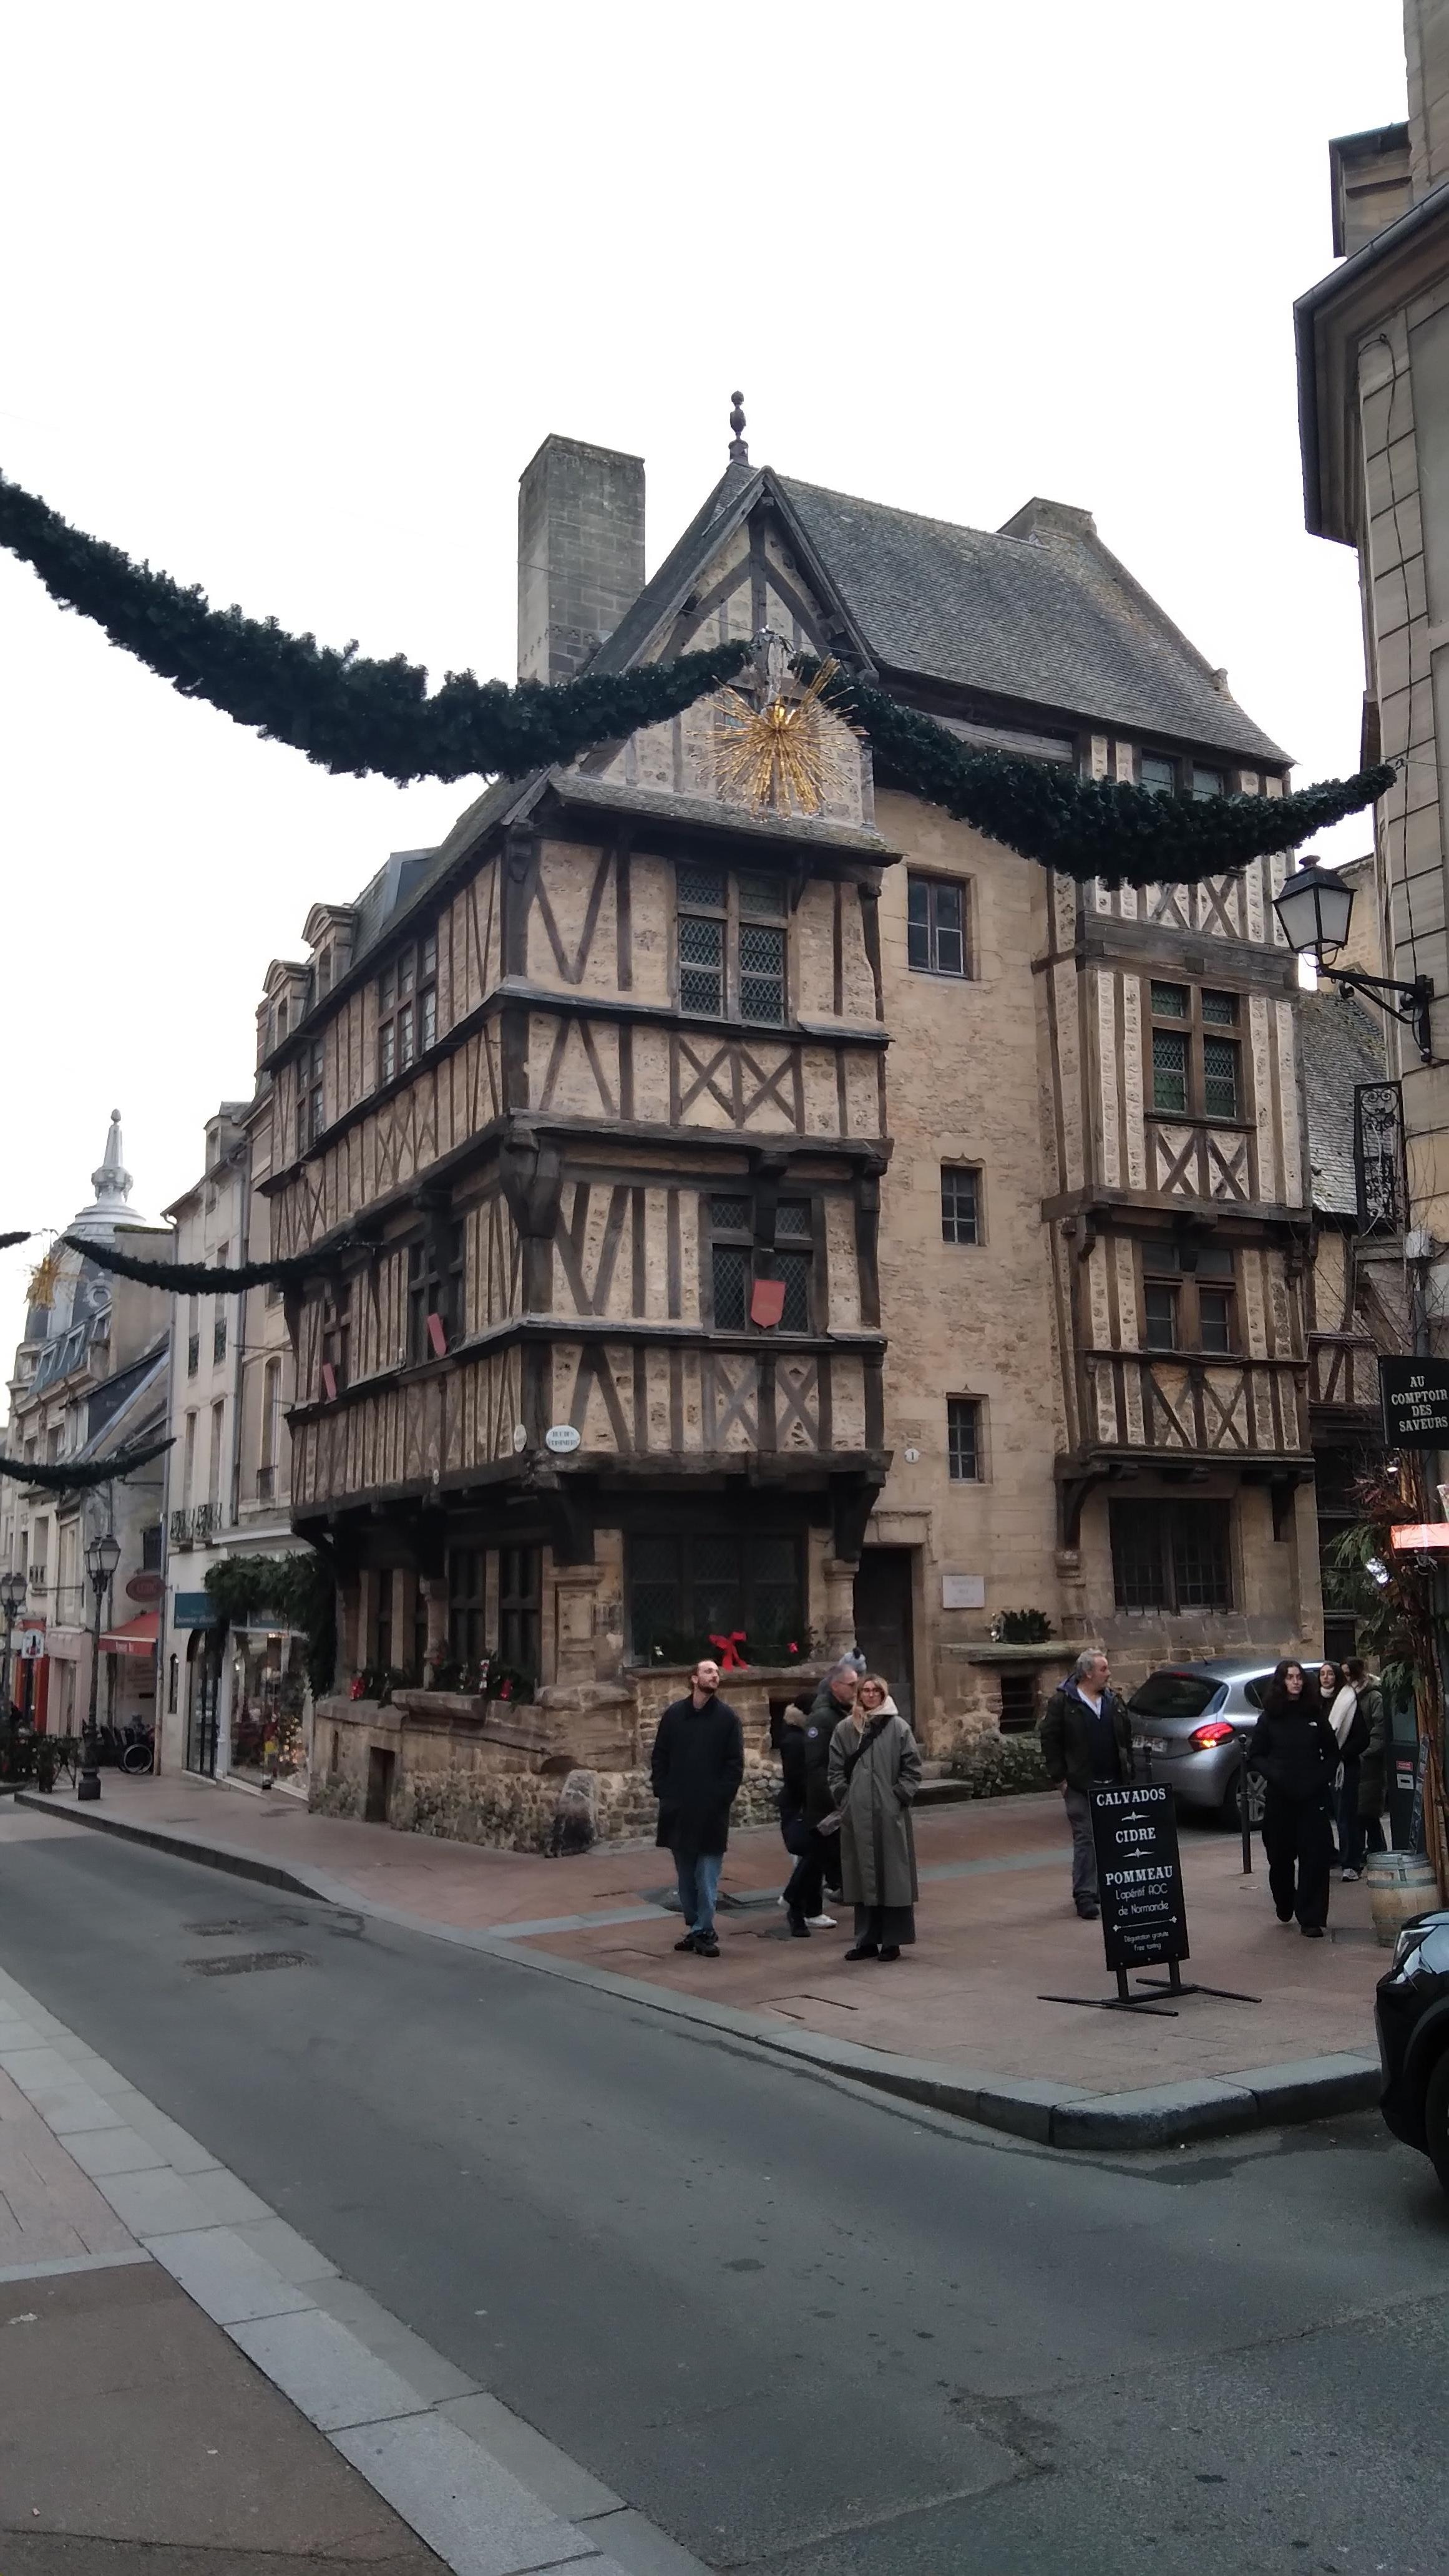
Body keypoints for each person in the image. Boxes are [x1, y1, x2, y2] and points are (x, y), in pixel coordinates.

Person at [649, 1657, 744, 1959]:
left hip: (711, 1810)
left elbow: (734, 1764)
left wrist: (720, 1796)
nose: (714, 1676)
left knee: (707, 1875)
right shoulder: (675, 1715)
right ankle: (694, 1926)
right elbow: (660, 1755)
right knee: (685, 1877)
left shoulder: (727, 1719)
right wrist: (664, 1791)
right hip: (679, 1807)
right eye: (708, 1671)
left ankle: (705, 1929)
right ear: (693, 1678)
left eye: (717, 1672)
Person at [827, 1673, 921, 1961]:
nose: (869, 1695)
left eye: (875, 1691)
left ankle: (892, 1941)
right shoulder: (846, 1729)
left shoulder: (899, 1728)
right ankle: (866, 1940)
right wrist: (845, 1797)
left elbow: (912, 1768)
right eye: (865, 1690)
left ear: (883, 1694)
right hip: (857, 1815)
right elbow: (835, 1769)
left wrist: (898, 1796)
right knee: (862, 1878)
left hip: (888, 1814)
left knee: (892, 1878)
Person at [1038, 1649, 1134, 1920]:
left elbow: (1125, 1738)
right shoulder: (1064, 1703)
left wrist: (1128, 1774)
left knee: (1111, 1838)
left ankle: (1107, 1889)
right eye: (1104, 1669)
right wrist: (1061, 1779)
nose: (1109, 1673)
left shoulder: (1113, 1701)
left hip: (1112, 1782)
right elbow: (1050, 1740)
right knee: (1086, 1838)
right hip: (1080, 1785)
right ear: (1088, 1673)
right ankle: (1084, 1894)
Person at [1247, 1659, 1340, 1936]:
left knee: (1315, 1857)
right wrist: (1276, 1775)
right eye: (1290, 1678)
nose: (1296, 1682)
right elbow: (1257, 1754)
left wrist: (1320, 1777)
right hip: (1280, 1798)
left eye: (1299, 1677)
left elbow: (1332, 1752)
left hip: (1311, 1797)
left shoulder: (1315, 1714)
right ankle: (1285, 1901)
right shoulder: (1269, 1718)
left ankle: (1310, 1917)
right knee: (1281, 1857)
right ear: (1281, 1682)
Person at [776, 1668, 852, 1934]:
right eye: (851, 1685)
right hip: (807, 1807)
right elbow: (806, 1775)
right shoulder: (800, 1738)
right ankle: (797, 1903)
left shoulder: (820, 1724)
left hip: (816, 1804)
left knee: (816, 1858)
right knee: (812, 1857)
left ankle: (807, 1906)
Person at [1320, 1658, 1368, 1878]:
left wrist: (1341, 1754)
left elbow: (1362, 1738)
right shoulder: (1315, 1702)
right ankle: (1329, 1855)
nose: (1327, 1678)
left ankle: (1352, 1863)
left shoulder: (1347, 1701)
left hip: (1345, 1767)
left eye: (1330, 1674)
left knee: (1345, 1815)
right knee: (1322, 1813)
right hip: (1322, 1766)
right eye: (1323, 1674)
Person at [1346, 1654, 1388, 1866]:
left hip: (1369, 1764)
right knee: (1358, 1812)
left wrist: (1364, 1754)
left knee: (1367, 1813)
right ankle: (1367, 1850)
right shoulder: (1349, 1696)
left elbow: (1379, 1732)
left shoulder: (1373, 1698)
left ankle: (1376, 1850)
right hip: (1356, 1760)